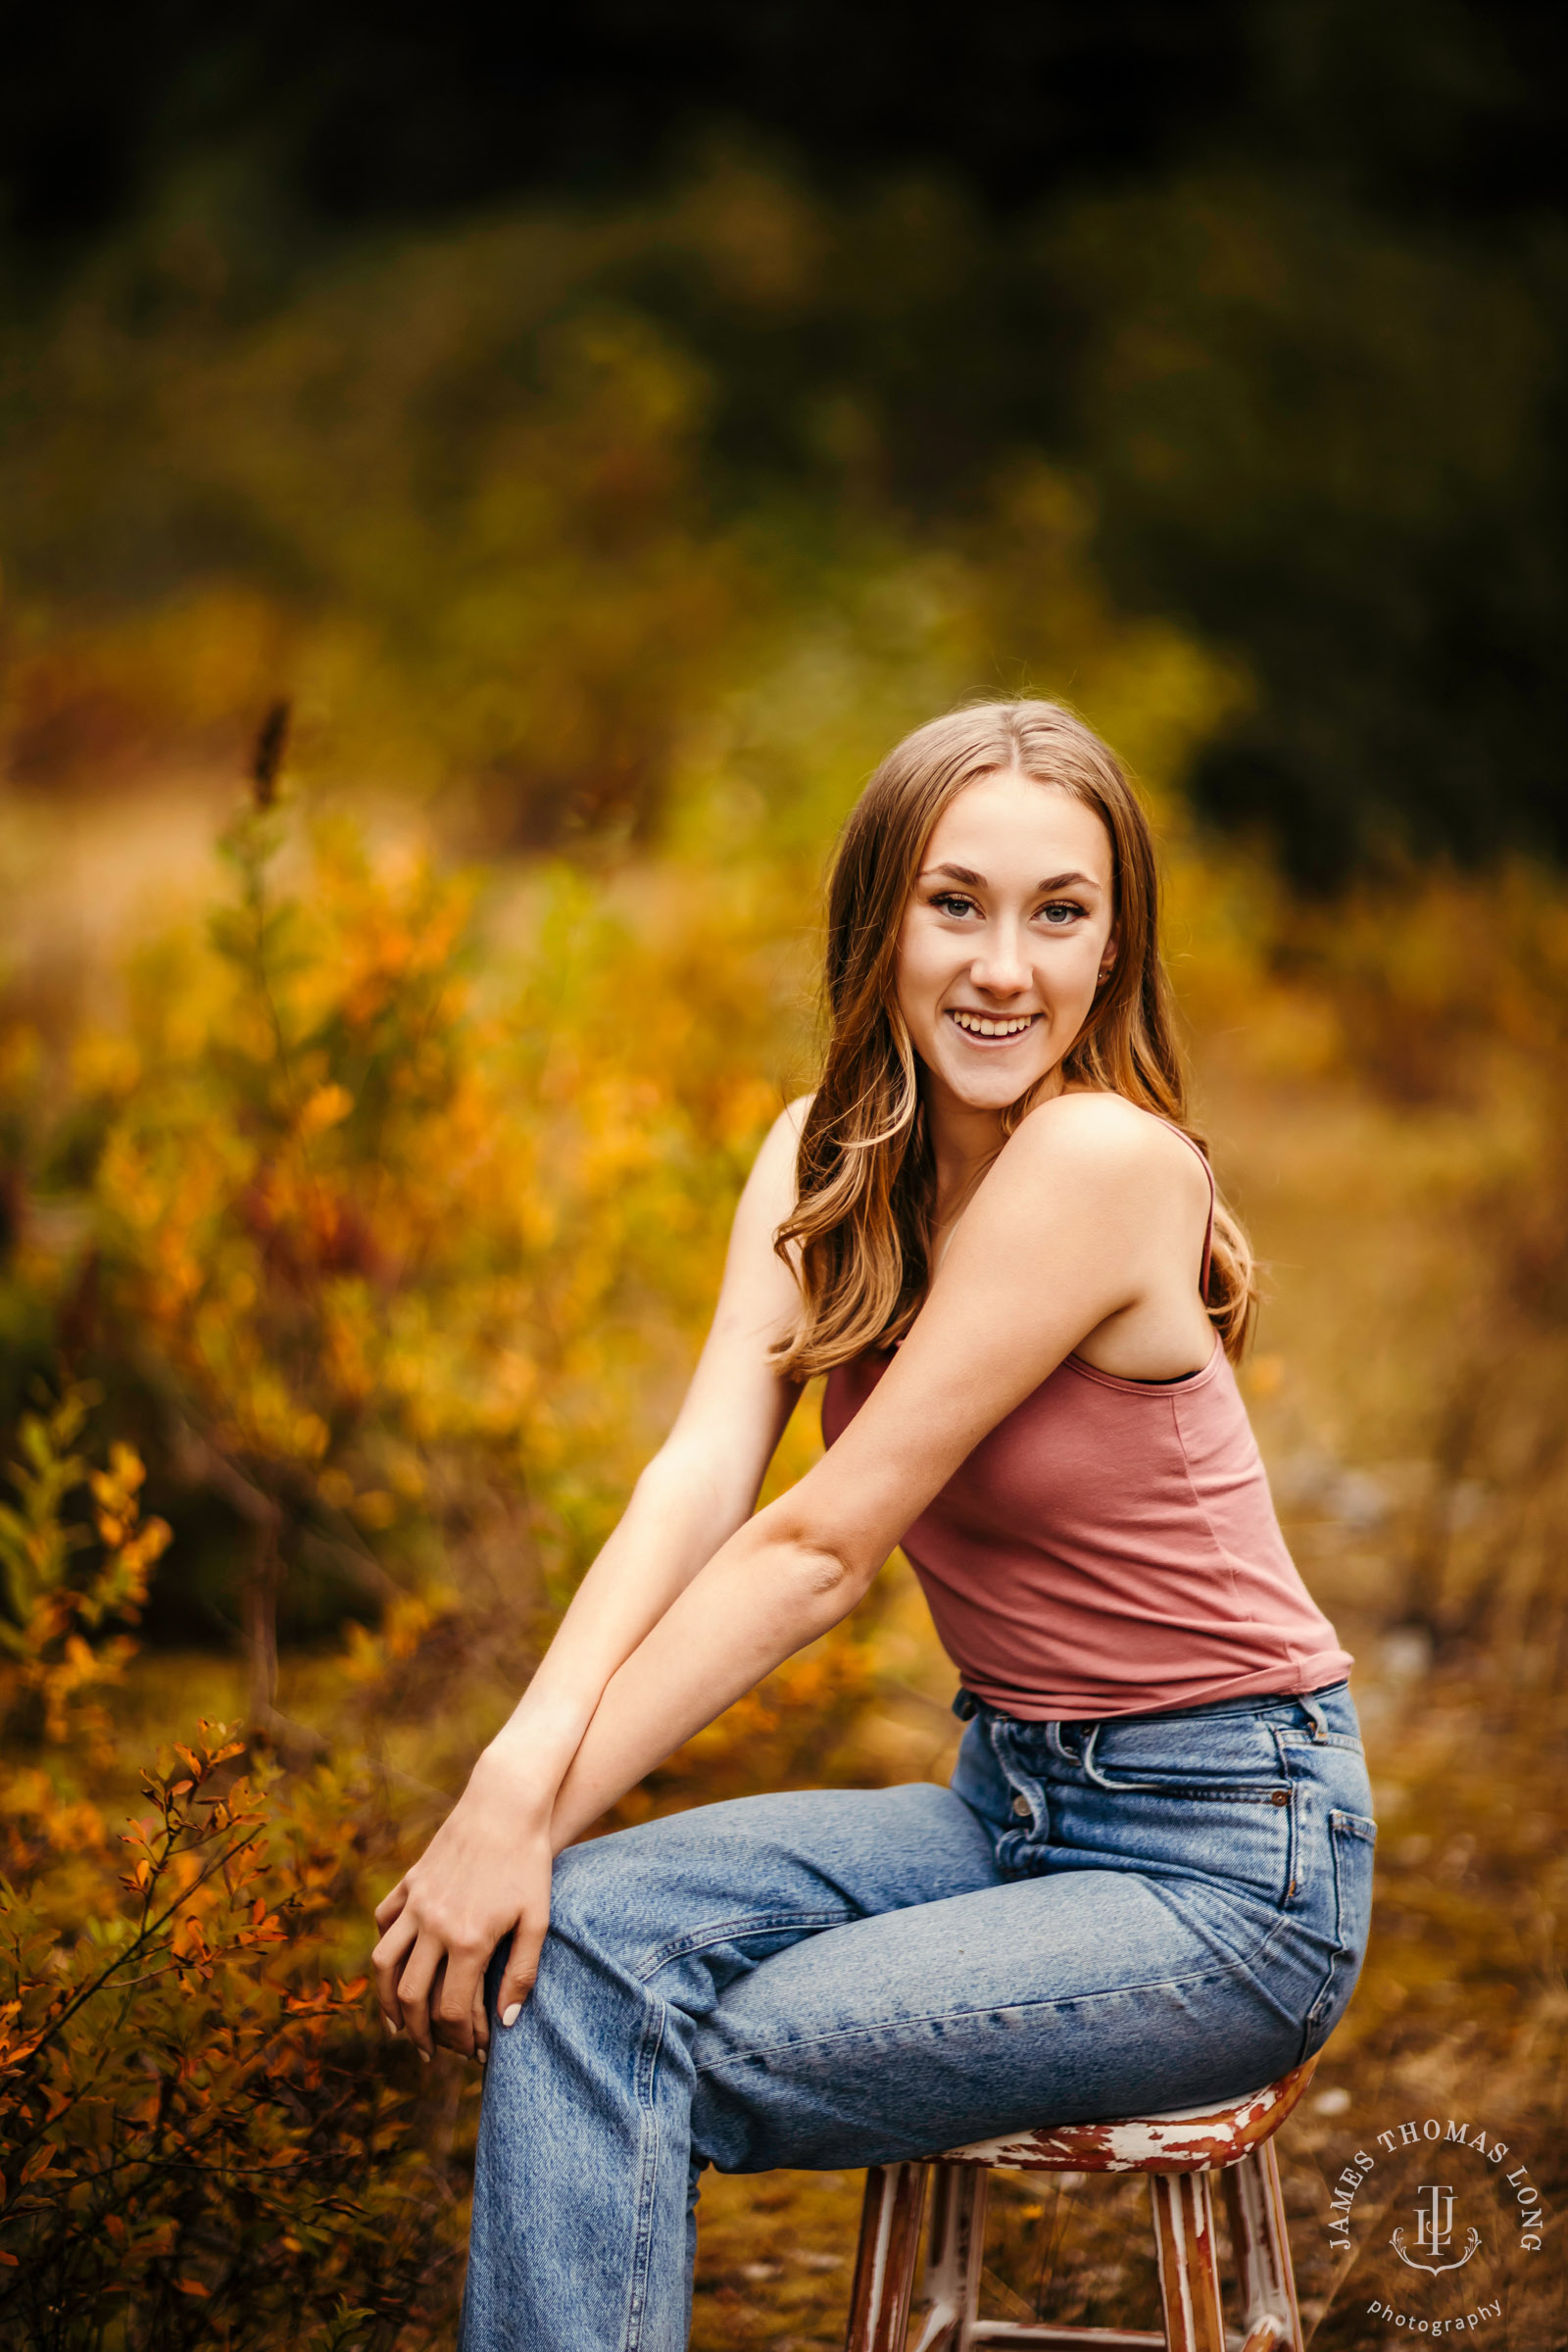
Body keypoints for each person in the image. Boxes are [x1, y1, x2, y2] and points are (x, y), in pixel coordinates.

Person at [371, 700, 1375, 2352]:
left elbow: (817, 1549)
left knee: (600, 2016)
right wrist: (513, 1786)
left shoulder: (1102, 1160)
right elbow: (701, 1479)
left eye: (1059, 912)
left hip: (1228, 1870)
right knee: (588, 1945)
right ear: (878, 920)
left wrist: (519, 1819)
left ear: (1115, 946)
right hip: (1012, 1805)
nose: (1004, 966)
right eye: (954, 902)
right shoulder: (826, 1157)